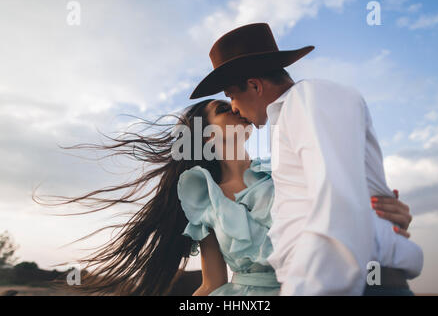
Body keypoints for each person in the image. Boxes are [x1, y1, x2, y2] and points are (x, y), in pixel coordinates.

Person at [34, 99, 418, 296]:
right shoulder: (202, 197)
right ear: (205, 136)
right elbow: (213, 282)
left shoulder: (289, 171)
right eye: (223, 108)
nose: (236, 107)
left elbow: (345, 214)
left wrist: (389, 218)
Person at [189, 23, 423, 295]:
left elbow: (336, 201)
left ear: (254, 85)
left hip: (344, 283)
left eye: (231, 97)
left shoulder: (307, 100)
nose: (234, 108)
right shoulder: (289, 119)